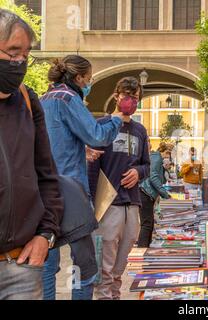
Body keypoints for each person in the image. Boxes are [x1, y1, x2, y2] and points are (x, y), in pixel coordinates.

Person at [39, 55, 124, 300]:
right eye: (88, 78)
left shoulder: (44, 99)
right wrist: (115, 120)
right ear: (78, 78)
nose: (89, 83)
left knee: (48, 262)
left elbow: (54, 142)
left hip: (44, 190)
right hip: (71, 192)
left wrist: (78, 150)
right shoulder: (68, 98)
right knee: (84, 265)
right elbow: (97, 136)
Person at [0, 9, 63, 300]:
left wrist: (45, 235)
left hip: (20, 265)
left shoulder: (28, 101)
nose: (20, 63)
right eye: (12, 52)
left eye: (25, 54)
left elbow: (47, 176)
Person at [88, 77, 150, 300]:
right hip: (107, 205)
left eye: (135, 98)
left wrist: (138, 173)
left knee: (119, 267)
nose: (131, 101)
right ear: (116, 96)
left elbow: (146, 165)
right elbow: (92, 167)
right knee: (104, 269)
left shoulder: (140, 131)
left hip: (131, 205)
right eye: (127, 96)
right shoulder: (102, 126)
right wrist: (92, 205)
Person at [138, 142, 172, 248]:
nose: (169, 157)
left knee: (149, 223)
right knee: (147, 224)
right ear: (165, 152)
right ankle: (141, 250)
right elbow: (153, 177)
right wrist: (165, 194)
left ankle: (146, 248)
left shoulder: (157, 158)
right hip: (146, 193)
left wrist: (166, 169)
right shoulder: (157, 159)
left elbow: (160, 177)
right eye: (168, 154)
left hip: (147, 193)